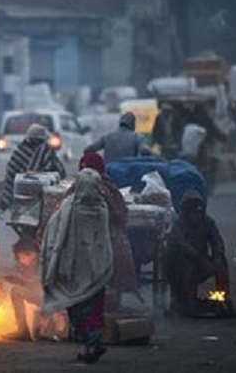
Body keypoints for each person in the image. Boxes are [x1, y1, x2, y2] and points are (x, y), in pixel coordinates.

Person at [42, 168, 113, 364]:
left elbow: (55, 233)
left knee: (76, 307)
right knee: (93, 309)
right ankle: (90, 346)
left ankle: (88, 346)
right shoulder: (102, 209)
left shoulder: (68, 207)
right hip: (95, 269)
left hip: (72, 268)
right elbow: (105, 241)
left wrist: (53, 263)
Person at [77, 153, 140, 309]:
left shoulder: (108, 189)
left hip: (107, 239)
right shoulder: (76, 189)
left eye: (89, 169)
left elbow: (120, 213)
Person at [165, 189, 230, 316]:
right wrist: (200, 259)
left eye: (199, 211)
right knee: (187, 265)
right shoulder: (178, 224)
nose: (196, 215)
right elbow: (182, 246)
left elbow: (217, 241)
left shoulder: (208, 222)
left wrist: (217, 256)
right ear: (186, 211)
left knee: (221, 264)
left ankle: (223, 299)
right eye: (193, 212)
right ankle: (185, 300)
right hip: (178, 267)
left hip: (201, 261)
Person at [0, 123, 66, 212]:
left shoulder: (20, 150)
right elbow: (60, 171)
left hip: (20, 198)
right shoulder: (45, 151)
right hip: (39, 199)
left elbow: (10, 175)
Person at [2, 237, 44, 341]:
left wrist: (21, 282)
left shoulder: (43, 262)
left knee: (16, 291)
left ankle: (23, 331)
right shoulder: (32, 263)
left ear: (30, 254)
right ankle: (26, 331)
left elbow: (40, 285)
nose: (21, 261)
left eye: (22, 258)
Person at [84, 112, 153, 164]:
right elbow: (145, 150)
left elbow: (88, 150)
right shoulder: (137, 137)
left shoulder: (107, 137)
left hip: (109, 172)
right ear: (133, 124)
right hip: (129, 172)